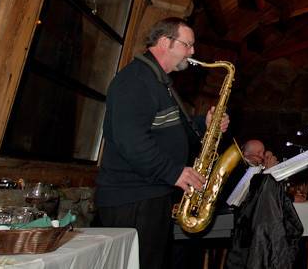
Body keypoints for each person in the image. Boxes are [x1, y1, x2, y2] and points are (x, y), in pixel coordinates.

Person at [96, 17, 229, 269]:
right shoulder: (135, 80)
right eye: (187, 45)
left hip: (150, 194)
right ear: (165, 42)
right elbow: (131, 141)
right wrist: (173, 172)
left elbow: (174, 129)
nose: (192, 52)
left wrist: (205, 123)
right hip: (131, 198)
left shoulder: (159, 83)